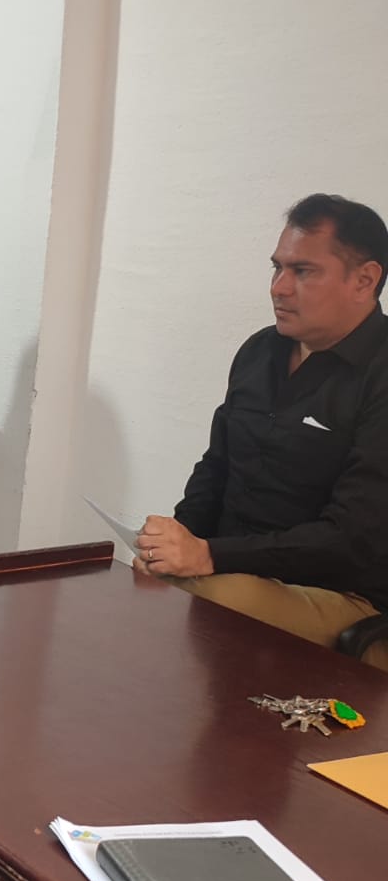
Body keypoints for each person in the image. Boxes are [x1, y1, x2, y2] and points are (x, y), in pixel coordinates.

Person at [136, 193, 388, 670]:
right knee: (142, 575)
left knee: (210, 603)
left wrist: (210, 556)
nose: (279, 288)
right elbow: (216, 467)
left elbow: (350, 540)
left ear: (364, 280)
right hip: (233, 568)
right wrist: (177, 540)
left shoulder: (380, 373)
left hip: (341, 593)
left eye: (303, 271)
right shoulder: (260, 351)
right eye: (277, 268)